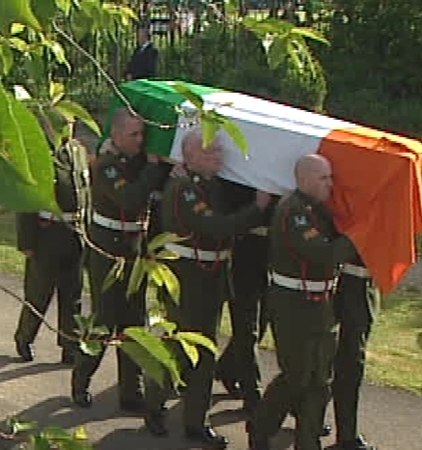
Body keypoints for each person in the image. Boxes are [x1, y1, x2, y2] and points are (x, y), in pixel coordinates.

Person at [142, 128, 271, 449]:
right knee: (176, 342)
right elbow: (216, 226)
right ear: (190, 155)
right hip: (187, 275)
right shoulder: (184, 189)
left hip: (211, 275)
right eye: (211, 152)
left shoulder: (210, 185)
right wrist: (257, 208)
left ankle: (194, 423)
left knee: (204, 348)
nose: (219, 157)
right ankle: (154, 405)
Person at [247, 154, 357, 450]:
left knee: (320, 379)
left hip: (321, 304)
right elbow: (324, 254)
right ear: (304, 179)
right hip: (293, 305)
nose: (330, 185)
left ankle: (308, 443)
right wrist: (362, 232)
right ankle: (260, 427)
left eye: (330, 178)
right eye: (323, 179)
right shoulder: (293, 212)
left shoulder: (318, 210)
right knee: (296, 376)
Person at [71, 107, 171, 412]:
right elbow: (130, 199)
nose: (141, 141)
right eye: (134, 135)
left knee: (133, 322)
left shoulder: (136, 161)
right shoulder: (107, 166)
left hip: (134, 248)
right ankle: (81, 381)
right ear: (115, 136)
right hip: (108, 249)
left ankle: (131, 391)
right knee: (104, 320)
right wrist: (154, 169)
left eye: (143, 134)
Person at [13, 122, 91, 364]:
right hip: (47, 234)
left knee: (72, 295)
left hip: (74, 233)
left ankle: (70, 344)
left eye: (69, 122)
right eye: (60, 123)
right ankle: (24, 337)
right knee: (39, 293)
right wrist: (27, 241)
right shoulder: (39, 154)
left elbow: (85, 193)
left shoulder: (78, 151)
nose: (66, 127)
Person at [213, 180, 273, 414]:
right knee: (246, 327)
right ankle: (252, 395)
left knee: (263, 321)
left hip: (270, 251)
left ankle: (227, 368)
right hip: (243, 250)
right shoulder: (242, 173)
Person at [331, 255, 377, 450]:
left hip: (364, 282)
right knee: (349, 363)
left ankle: (303, 411)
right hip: (352, 282)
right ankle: (346, 437)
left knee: (346, 361)